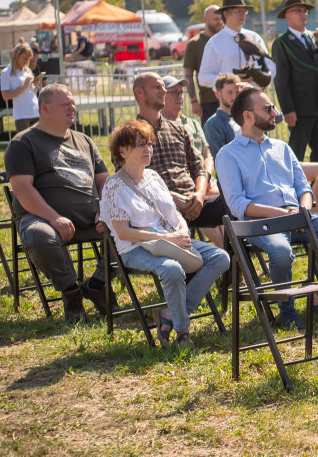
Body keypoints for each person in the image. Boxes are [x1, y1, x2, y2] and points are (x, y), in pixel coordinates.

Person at [215, 87, 318, 329]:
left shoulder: (281, 147)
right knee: (282, 253)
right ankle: (286, 311)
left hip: (300, 216)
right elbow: (237, 205)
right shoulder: (228, 155)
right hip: (264, 223)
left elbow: (303, 186)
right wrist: (283, 215)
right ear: (248, 116)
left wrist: (304, 209)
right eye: (268, 108)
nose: (275, 112)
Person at [99, 120, 230, 349]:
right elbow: (123, 232)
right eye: (140, 145)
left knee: (221, 258)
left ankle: (169, 313)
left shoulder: (153, 177)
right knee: (171, 269)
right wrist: (169, 238)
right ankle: (183, 333)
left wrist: (181, 229)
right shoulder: (113, 187)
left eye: (149, 144)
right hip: (136, 248)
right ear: (122, 151)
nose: (148, 150)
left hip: (172, 239)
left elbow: (174, 212)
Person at [4, 84, 113, 321]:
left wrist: (105, 209)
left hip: (90, 218)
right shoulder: (23, 143)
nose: (72, 108)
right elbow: (22, 189)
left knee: (128, 223)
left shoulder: (84, 140)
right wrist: (54, 217)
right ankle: (71, 292)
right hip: (42, 217)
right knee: (37, 235)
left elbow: (105, 181)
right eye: (66, 104)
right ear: (44, 108)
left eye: (73, 103)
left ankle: (97, 284)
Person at [133, 72, 225, 246]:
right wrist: (170, 199)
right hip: (158, 210)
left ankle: (236, 262)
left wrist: (199, 195)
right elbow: (130, 182)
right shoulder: (130, 134)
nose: (163, 92)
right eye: (157, 88)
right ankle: (222, 262)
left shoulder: (178, 129)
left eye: (163, 87)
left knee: (233, 202)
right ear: (140, 92)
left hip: (194, 202)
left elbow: (199, 168)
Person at [272, 0, 318, 163]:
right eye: (298, 11)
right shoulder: (282, 43)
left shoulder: (314, 38)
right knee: (297, 152)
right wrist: (288, 109)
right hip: (300, 107)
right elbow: (281, 79)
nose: (304, 15)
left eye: (305, 11)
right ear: (287, 15)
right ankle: (293, 187)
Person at [198, 0, 276, 92]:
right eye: (238, 11)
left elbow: (272, 67)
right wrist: (230, 79)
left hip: (255, 98)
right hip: (230, 101)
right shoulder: (215, 42)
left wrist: (259, 75)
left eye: (244, 11)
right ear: (226, 14)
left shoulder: (254, 37)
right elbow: (203, 78)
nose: (243, 15)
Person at [161, 75, 213, 178]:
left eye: (181, 92)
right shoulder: (159, 127)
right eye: (174, 93)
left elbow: (208, 156)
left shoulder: (193, 124)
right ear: (162, 95)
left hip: (204, 179)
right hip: (181, 183)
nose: (179, 96)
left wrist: (206, 177)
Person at [182, 4, 223, 122]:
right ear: (205, 20)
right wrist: (194, 101)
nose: (219, 22)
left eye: (221, 19)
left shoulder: (225, 40)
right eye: (216, 19)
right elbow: (188, 74)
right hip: (208, 102)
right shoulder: (194, 44)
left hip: (230, 99)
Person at [0, 42, 41, 132]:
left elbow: (31, 93)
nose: (27, 62)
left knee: (39, 142)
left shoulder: (26, 71)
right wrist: (23, 87)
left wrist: (36, 85)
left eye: (28, 59)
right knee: (25, 144)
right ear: (16, 55)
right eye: (25, 58)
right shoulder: (6, 72)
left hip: (35, 111)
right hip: (22, 115)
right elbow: (5, 96)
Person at [202, 73, 244, 157]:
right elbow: (220, 159)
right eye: (230, 92)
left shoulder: (246, 117)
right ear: (218, 94)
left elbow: (276, 118)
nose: (234, 97)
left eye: (237, 92)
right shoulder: (212, 125)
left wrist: (253, 92)